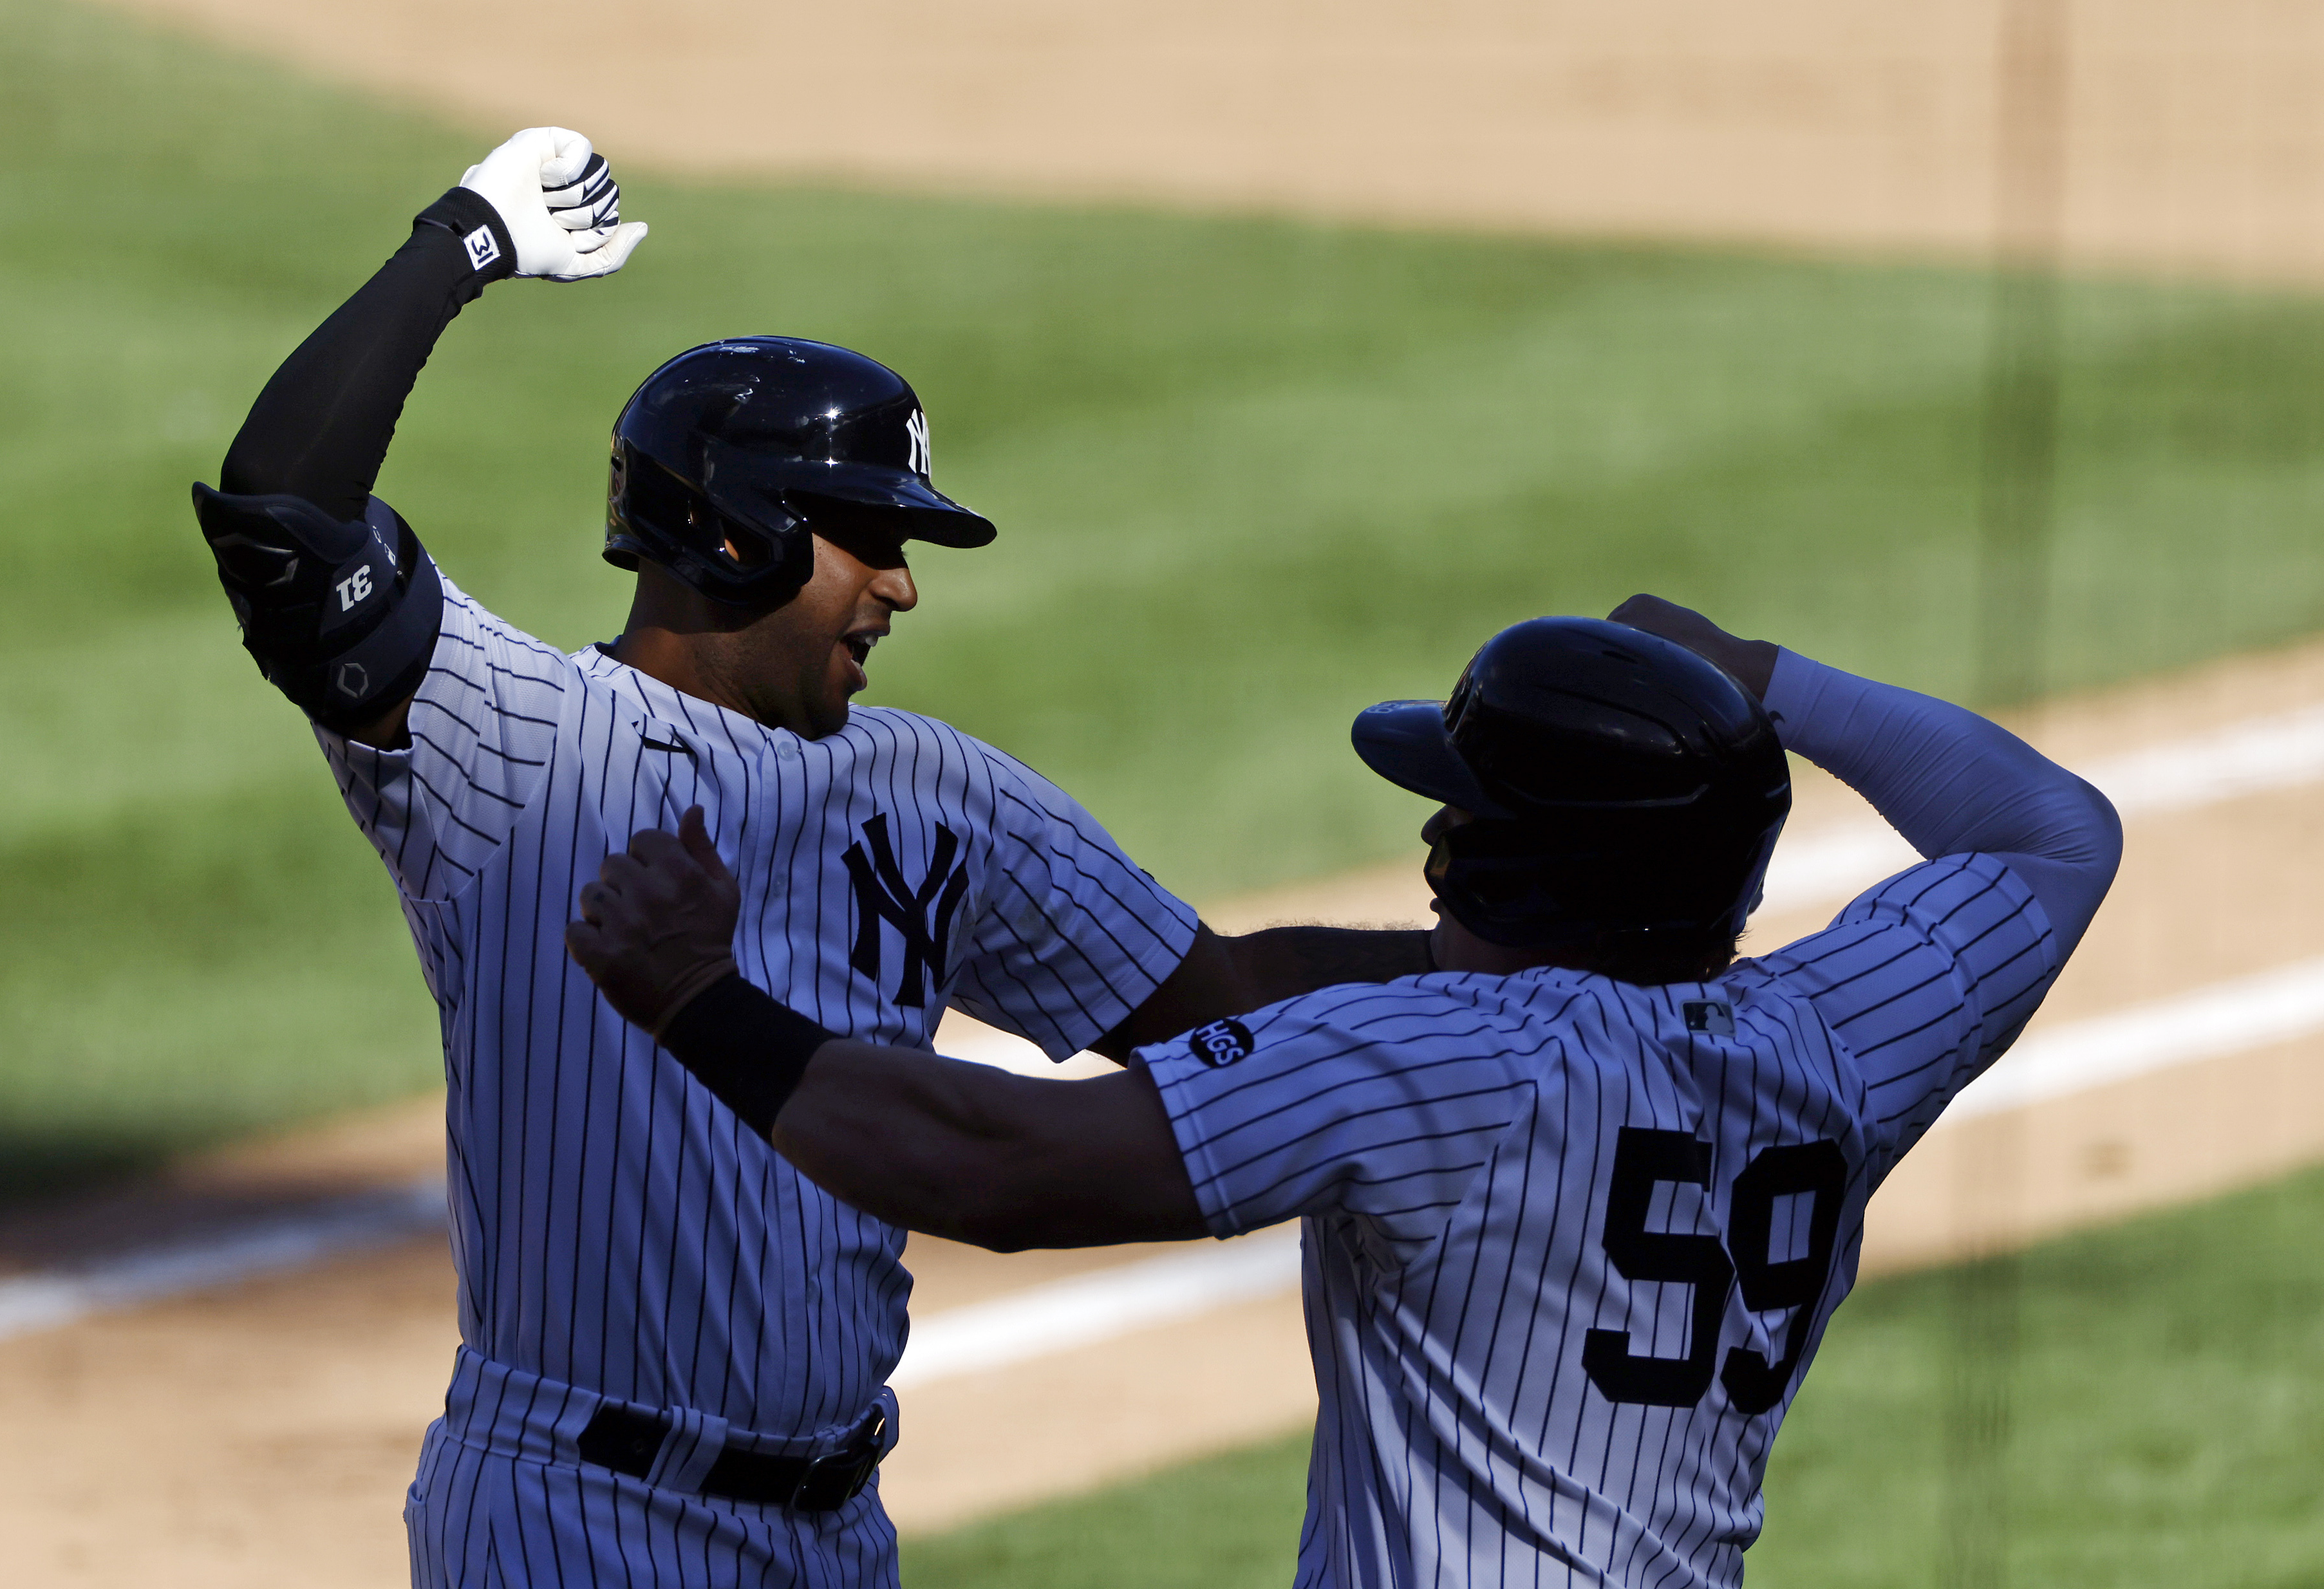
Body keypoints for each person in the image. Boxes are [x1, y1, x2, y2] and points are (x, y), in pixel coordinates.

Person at [191, 125, 1424, 1588]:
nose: (900, 584)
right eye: (862, 537)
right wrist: (459, 241)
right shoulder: (510, 740)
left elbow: (1209, 986)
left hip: (837, 1528)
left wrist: (1514, 961)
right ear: (726, 532)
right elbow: (283, 511)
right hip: (576, 1514)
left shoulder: (935, 787)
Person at [565, 597, 2124, 1588]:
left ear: (1488, 856)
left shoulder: (1433, 1063)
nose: (1433, 838)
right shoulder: (1838, 1033)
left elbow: (996, 1163)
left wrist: (698, 999)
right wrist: (1765, 681)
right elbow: (2052, 833)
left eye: (1457, 810)